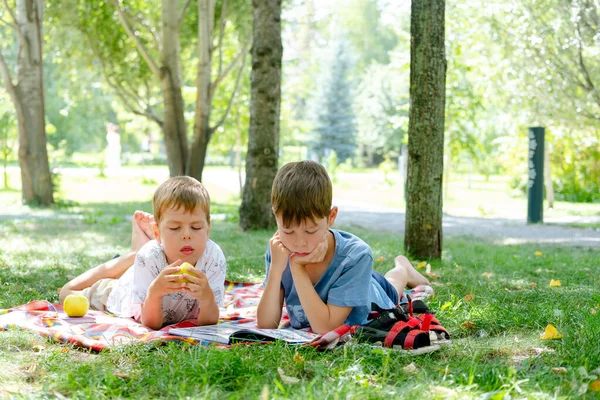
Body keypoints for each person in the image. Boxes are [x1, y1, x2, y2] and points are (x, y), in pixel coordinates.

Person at [256, 161, 430, 334]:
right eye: (288, 230)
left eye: (310, 231)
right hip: (351, 282)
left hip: (373, 293)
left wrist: (297, 267)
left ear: (331, 217)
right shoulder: (279, 249)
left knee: (393, 287)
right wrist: (276, 268)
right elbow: (266, 324)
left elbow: (325, 328)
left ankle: (403, 268)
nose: (299, 242)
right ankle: (402, 268)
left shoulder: (356, 255)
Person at [59, 176, 226, 330]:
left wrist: (207, 298)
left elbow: (209, 322)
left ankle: (136, 252)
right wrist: (154, 293)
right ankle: (134, 253)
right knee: (67, 292)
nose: (187, 234)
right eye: (175, 228)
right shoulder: (149, 257)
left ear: (208, 229)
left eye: (196, 227)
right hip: (124, 292)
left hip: (145, 265)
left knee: (142, 258)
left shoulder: (213, 258)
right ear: (158, 231)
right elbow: (151, 324)